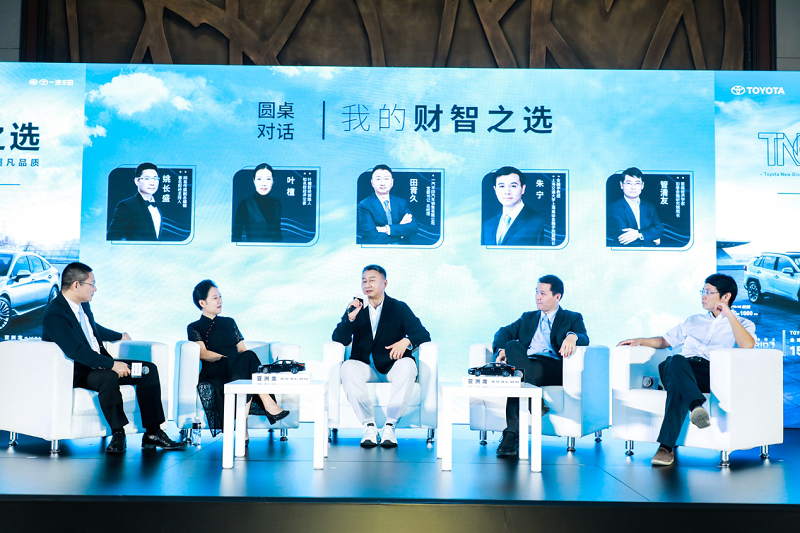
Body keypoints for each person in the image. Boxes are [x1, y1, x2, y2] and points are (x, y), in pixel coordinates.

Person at [42, 262, 184, 453]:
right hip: (80, 371)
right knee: (108, 377)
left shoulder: (83, 306)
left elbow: (92, 329)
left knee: (147, 370)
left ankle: (153, 432)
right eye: (92, 284)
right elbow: (76, 350)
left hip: (99, 363)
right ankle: (118, 433)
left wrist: (119, 336)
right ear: (76, 285)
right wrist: (111, 364)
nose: (95, 289)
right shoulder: (55, 314)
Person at [618, 273, 755, 466]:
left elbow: (747, 345)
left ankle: (666, 448)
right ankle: (696, 407)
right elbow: (665, 341)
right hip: (681, 367)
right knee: (675, 361)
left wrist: (728, 315)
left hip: (710, 374)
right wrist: (640, 340)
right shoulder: (693, 320)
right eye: (702, 291)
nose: (703, 296)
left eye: (709, 292)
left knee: (677, 385)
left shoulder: (743, 324)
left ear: (725, 297)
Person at [332, 264, 431, 447]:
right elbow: (339, 339)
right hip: (364, 366)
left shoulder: (399, 307)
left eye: (372, 280)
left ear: (384, 283)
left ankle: (390, 426)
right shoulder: (357, 308)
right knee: (347, 367)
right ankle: (369, 426)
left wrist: (406, 341)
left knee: (408, 365)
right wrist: (350, 317)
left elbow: (423, 334)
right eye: (364, 281)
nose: (367, 284)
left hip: (391, 365)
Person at [493, 274, 589, 457]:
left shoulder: (572, 317)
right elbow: (502, 332)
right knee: (512, 349)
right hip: (528, 365)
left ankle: (511, 435)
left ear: (557, 296)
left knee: (517, 377)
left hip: (552, 366)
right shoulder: (528, 317)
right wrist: (501, 350)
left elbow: (584, 337)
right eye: (536, 292)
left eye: (543, 293)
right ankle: (532, 405)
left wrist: (572, 336)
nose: (538, 297)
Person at [188, 280, 289, 438]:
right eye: (215, 298)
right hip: (216, 369)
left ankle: (243, 426)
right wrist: (225, 359)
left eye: (220, 297)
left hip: (235, 368)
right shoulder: (194, 326)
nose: (220, 301)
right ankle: (267, 403)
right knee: (246, 365)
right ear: (202, 303)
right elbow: (203, 353)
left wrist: (240, 362)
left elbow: (241, 349)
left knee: (248, 357)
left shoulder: (229, 322)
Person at [481, 166, 546, 246]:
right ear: (495, 189)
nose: (507, 192)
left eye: (513, 186)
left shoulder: (539, 222)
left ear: (523, 188)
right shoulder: (487, 225)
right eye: (501, 186)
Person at [357, 164, 418, 245]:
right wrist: (400, 231)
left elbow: (414, 227)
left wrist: (386, 229)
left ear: (392, 182)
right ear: (372, 183)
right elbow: (373, 237)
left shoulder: (401, 202)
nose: (382, 183)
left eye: (386, 179)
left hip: (403, 248)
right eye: (378, 179)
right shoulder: (364, 205)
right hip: (376, 250)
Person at [607, 167, 663, 247]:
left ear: (642, 185)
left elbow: (659, 229)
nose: (633, 187)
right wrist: (650, 237)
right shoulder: (613, 208)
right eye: (628, 183)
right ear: (621, 185)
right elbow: (623, 237)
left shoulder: (649, 206)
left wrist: (638, 234)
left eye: (637, 183)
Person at [107, 162, 163, 241]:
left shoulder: (158, 206)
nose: (152, 183)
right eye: (147, 178)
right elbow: (113, 237)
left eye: (155, 179)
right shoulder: (126, 206)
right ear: (137, 181)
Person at [232, 163, 283, 243]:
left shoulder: (277, 204)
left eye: (268, 179)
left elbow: (278, 235)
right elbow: (236, 236)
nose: (264, 183)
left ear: (273, 181)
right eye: (259, 179)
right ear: (254, 181)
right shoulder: (245, 204)